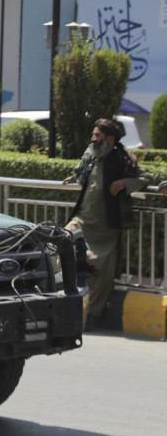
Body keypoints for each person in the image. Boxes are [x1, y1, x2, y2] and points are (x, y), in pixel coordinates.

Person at [63, 118, 151, 329]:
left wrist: (125, 183)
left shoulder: (123, 158)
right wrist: (72, 176)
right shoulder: (91, 156)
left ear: (110, 139)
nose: (93, 139)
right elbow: (83, 173)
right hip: (82, 221)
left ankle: (91, 317)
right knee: (62, 241)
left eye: (97, 136)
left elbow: (145, 176)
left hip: (106, 227)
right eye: (93, 135)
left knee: (100, 275)